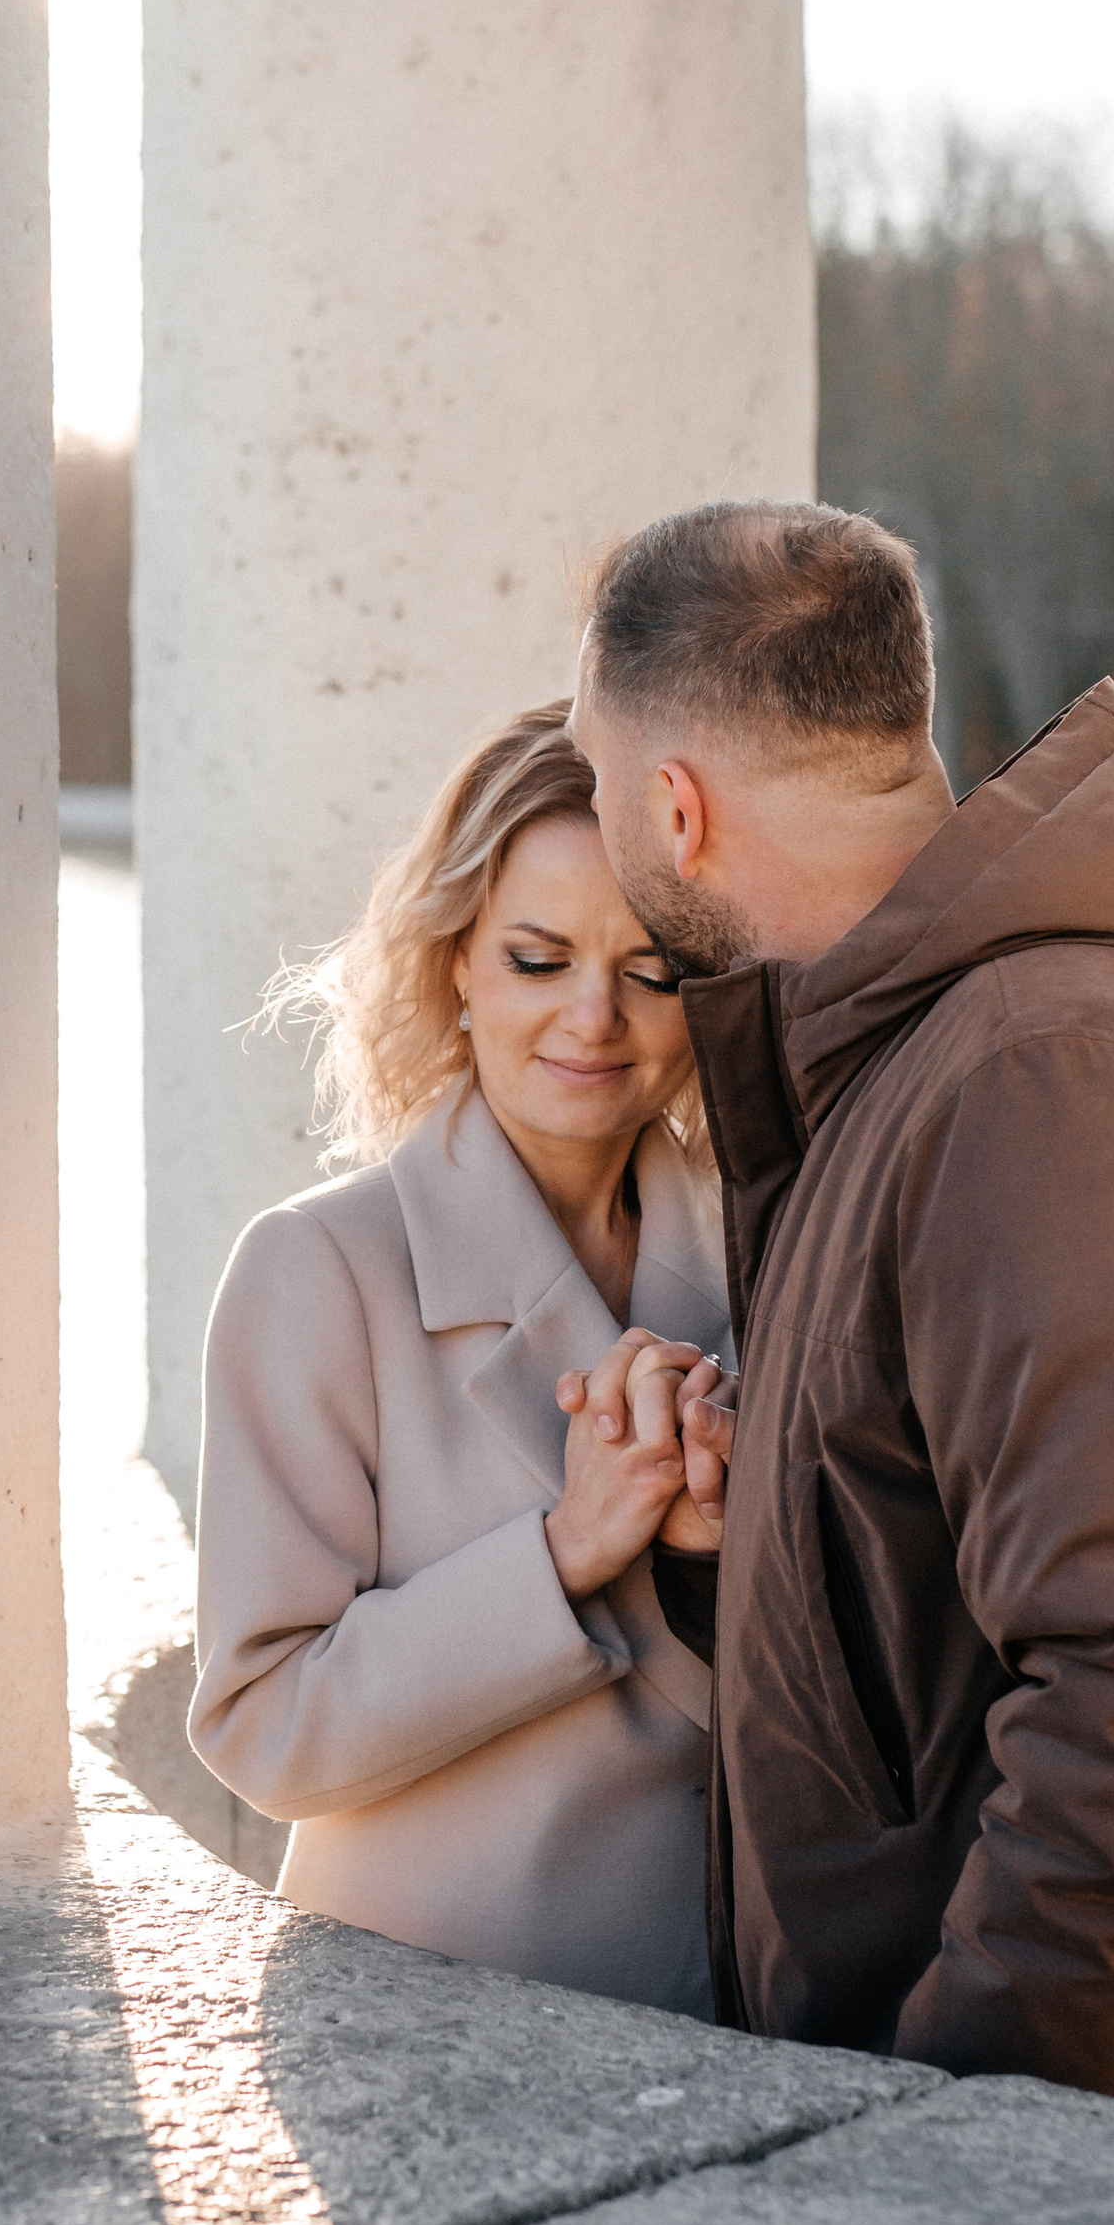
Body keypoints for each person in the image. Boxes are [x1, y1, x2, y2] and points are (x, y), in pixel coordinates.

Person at [568, 499, 1114, 2137]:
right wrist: (743, 1539)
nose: (607, 823)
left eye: (598, 779)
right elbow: (955, 1645)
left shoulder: (1050, 1075)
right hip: (1057, 2199)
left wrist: (943, 2154)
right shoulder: (923, 1063)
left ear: (675, 808)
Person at [188, 702, 733, 2014]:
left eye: (652, 970)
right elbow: (264, 1725)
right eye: (539, 959)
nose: (594, 1019)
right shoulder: (318, 1271)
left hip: (725, 2019)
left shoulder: (771, 1254)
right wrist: (567, 1552)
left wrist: (717, 1559)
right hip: (425, 2027)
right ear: (456, 968)